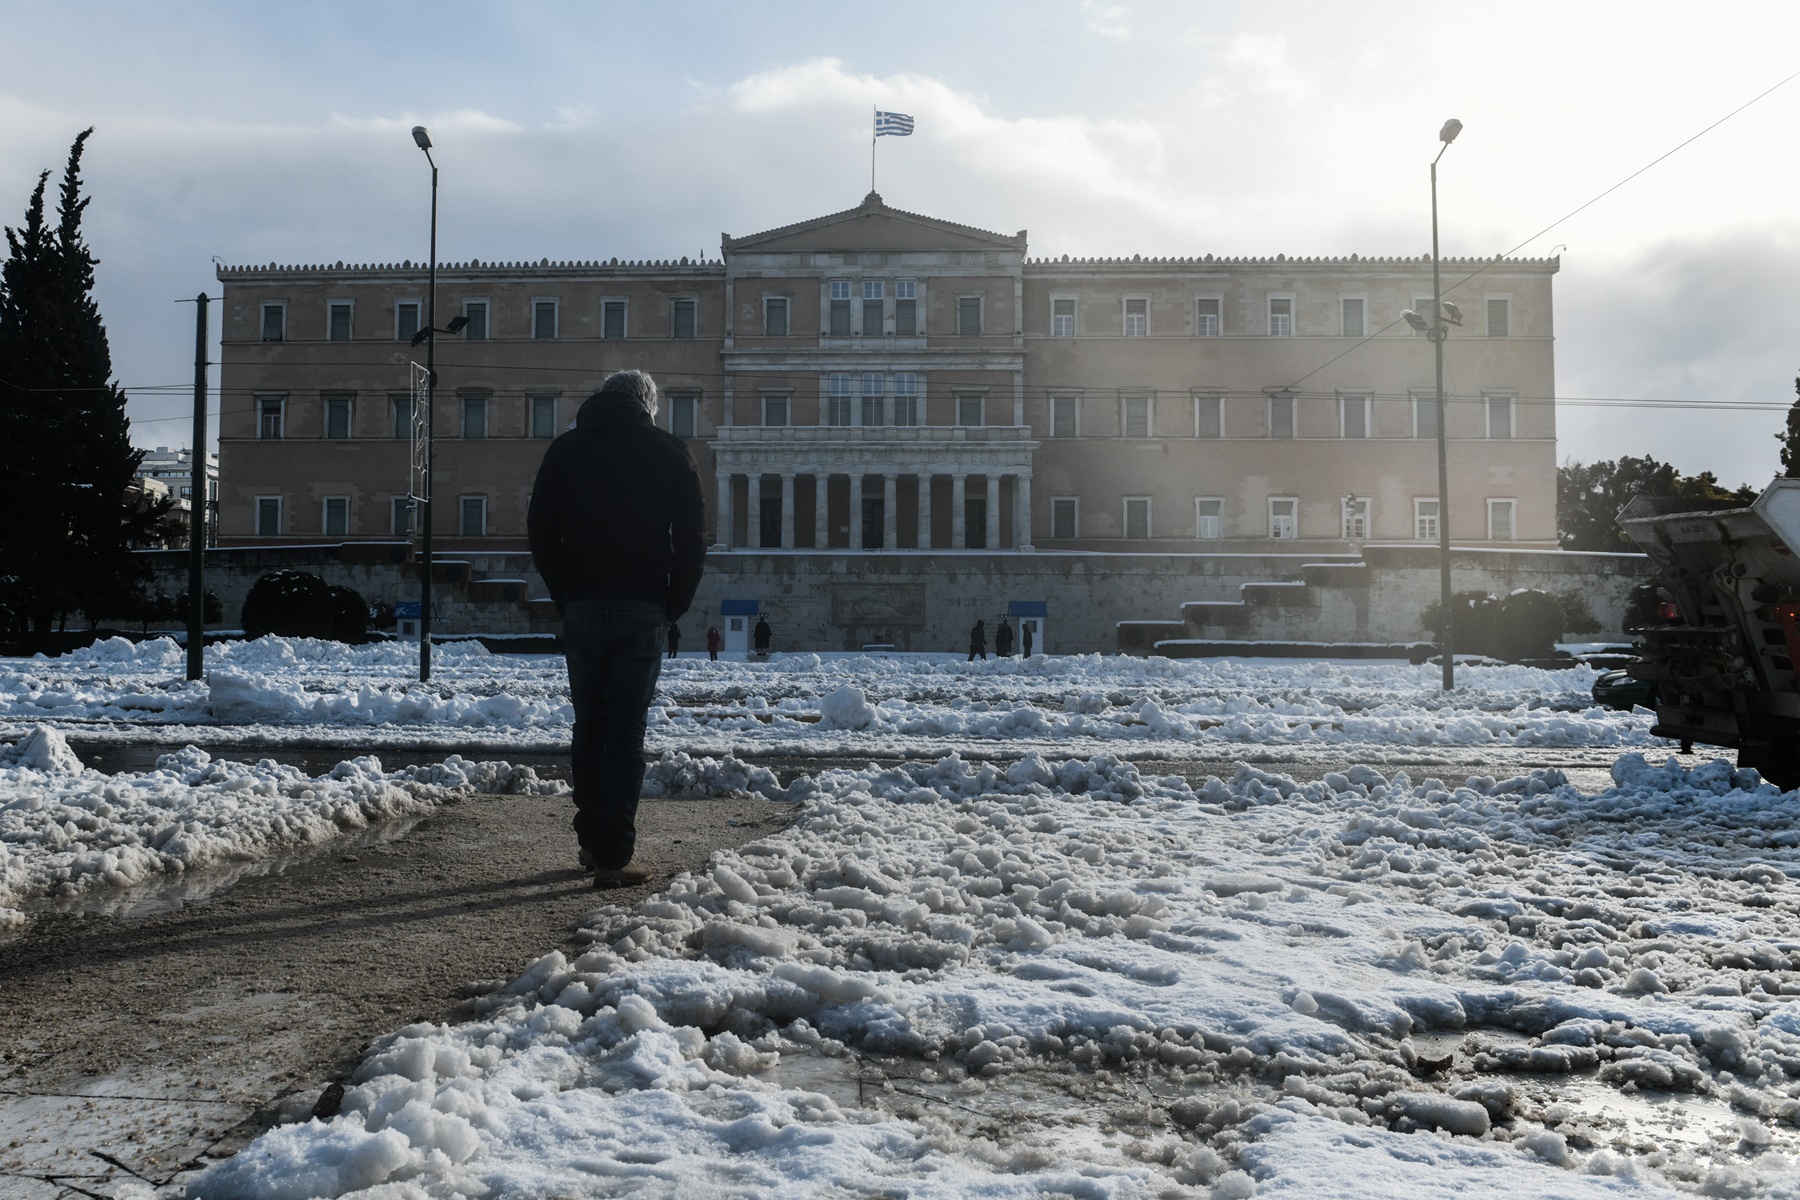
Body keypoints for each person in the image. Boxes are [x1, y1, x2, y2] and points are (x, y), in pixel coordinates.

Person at [528, 369, 705, 890]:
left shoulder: (564, 450)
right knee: (626, 733)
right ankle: (613, 855)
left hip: (582, 604)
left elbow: (541, 529)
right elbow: (692, 539)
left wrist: (565, 593)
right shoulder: (671, 451)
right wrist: (673, 603)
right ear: (648, 406)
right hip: (643, 605)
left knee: (589, 725)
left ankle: (589, 841)